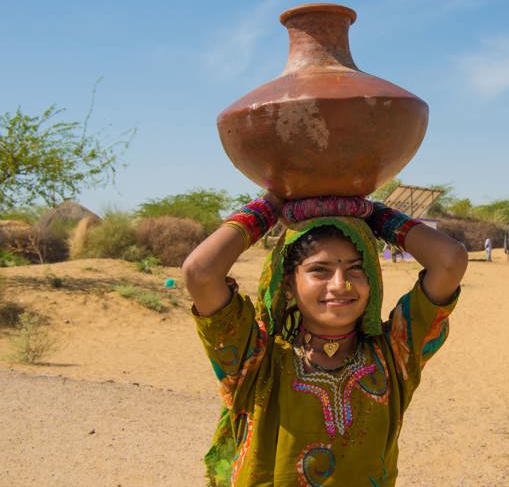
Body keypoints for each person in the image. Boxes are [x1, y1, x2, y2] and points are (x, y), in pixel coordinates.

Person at [183, 194, 467, 486]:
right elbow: (200, 273)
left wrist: (374, 214)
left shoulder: (394, 355)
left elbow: (449, 261)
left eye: (356, 269)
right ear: (289, 283)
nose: (340, 284)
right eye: (320, 270)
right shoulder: (256, 361)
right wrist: (269, 207)